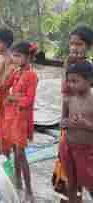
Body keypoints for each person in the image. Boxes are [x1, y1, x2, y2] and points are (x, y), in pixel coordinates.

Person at [0, 42, 38, 202]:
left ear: (28, 57)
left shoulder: (31, 75)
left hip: (22, 119)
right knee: (11, 152)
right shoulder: (17, 72)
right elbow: (4, 86)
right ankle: (17, 183)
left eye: (18, 56)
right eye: (14, 55)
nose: (14, 59)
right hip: (11, 117)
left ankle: (29, 190)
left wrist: (12, 98)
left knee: (20, 154)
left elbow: (29, 100)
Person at [60, 62, 93, 203]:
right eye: (69, 81)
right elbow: (62, 122)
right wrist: (66, 123)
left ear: (90, 80)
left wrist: (86, 124)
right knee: (71, 183)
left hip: (87, 150)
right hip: (68, 146)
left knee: (90, 185)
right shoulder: (68, 100)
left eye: (75, 81)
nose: (71, 85)